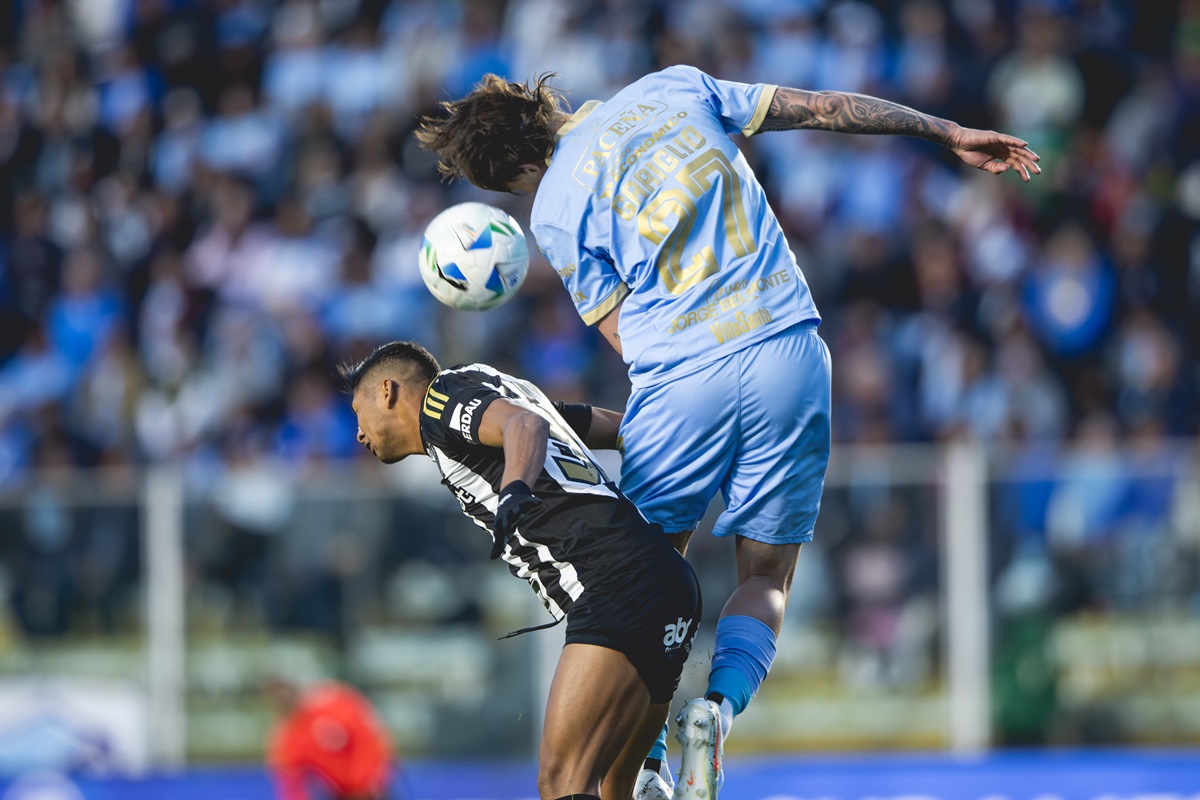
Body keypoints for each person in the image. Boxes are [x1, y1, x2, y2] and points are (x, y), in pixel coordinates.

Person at [414, 65, 1041, 800]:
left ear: (520, 169)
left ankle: (644, 762)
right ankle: (716, 710)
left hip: (681, 381)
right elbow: (826, 108)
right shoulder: (672, 86)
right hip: (789, 350)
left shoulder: (552, 206)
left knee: (641, 584)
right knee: (767, 578)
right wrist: (947, 131)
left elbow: (625, 336)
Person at [340, 340, 701, 800]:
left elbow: (525, 425)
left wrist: (515, 487)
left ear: (387, 392)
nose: (357, 433)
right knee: (611, 789)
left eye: (357, 411)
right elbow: (583, 424)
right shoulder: (491, 385)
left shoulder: (440, 402)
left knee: (562, 780)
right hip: (664, 579)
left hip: (614, 583)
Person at [264, 676, 395, 800]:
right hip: (337, 792)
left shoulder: (333, 706)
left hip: (371, 788)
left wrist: (365, 783)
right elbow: (291, 783)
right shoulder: (287, 739)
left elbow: (368, 740)